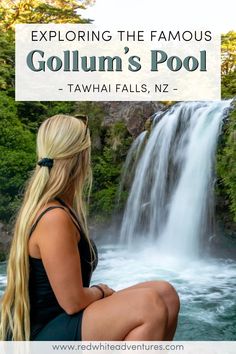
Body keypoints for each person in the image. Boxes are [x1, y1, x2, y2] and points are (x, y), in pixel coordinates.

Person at [0, 114, 180, 341]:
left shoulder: (59, 207)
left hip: (62, 320)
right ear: (82, 157)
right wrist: (101, 291)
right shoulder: (53, 217)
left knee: (166, 294)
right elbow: (73, 302)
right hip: (40, 333)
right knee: (148, 306)